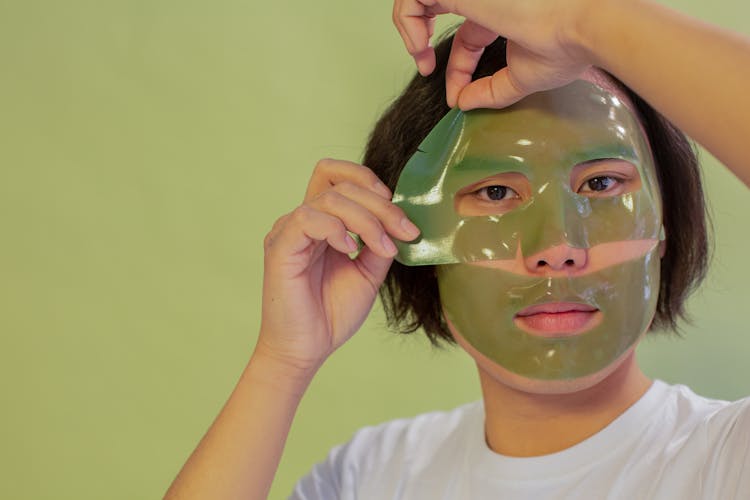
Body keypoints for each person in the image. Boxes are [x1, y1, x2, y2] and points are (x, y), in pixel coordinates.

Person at [165, 1, 750, 498]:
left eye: (600, 184)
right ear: (407, 233)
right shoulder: (376, 476)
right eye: (495, 192)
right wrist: (283, 361)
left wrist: (581, 18)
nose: (556, 249)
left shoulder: (726, 460)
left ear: (667, 217)